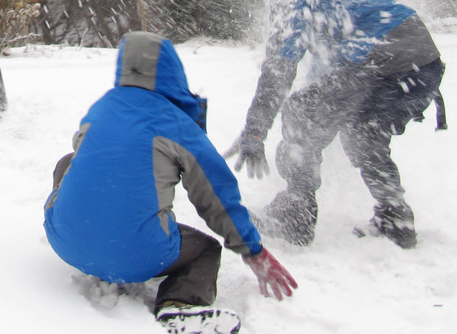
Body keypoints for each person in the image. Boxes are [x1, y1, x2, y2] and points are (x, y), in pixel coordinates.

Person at [44, 31, 297, 334]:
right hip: (136, 255)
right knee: (205, 249)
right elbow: (216, 196)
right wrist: (253, 250)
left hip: (64, 241)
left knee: (68, 161)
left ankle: (91, 235)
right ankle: (179, 305)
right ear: (172, 71)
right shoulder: (177, 123)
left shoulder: (99, 109)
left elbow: (93, 158)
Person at [226, 0, 445, 249]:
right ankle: (395, 218)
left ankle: (295, 214)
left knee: (301, 114)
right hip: (422, 60)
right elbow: (337, 57)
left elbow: (277, 73)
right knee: (362, 132)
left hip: (382, 58)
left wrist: (255, 131)